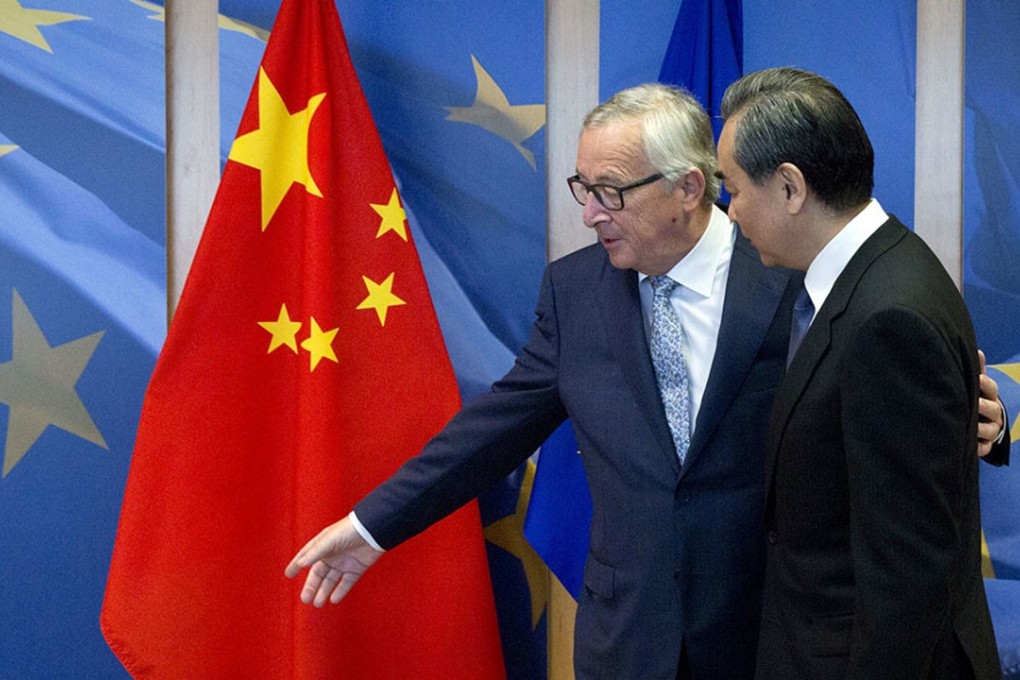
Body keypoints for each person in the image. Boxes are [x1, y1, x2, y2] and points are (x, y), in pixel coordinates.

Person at [286, 83, 1009, 680]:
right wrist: (372, 525)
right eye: (582, 187)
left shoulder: (797, 274)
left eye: (608, 190)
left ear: (688, 188)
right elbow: (495, 429)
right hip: (627, 641)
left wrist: (983, 421)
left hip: (764, 637)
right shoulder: (574, 293)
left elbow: (890, 410)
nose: (589, 212)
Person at [716, 66, 1003, 678]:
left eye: (734, 189)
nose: (730, 211)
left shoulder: (887, 318)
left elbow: (906, 576)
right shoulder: (878, 266)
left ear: (791, 187)